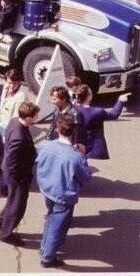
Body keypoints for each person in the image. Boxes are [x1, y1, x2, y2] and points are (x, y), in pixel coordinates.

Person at [36, 115, 91, 268]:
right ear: (73, 132)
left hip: (47, 189)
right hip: (64, 196)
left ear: (58, 130)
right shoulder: (76, 156)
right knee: (57, 226)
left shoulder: (45, 145)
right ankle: (47, 258)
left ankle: (44, 247)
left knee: (51, 218)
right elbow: (85, 177)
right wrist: (83, 155)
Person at [0, 101, 40, 246]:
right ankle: (6, 234)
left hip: (12, 172)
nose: (37, 118)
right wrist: (18, 178)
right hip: (18, 176)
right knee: (17, 206)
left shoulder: (14, 122)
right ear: (28, 117)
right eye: (35, 116)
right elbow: (13, 160)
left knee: (12, 201)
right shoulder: (20, 135)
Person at [74, 85, 129, 159]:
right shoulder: (97, 111)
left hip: (78, 147)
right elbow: (114, 114)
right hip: (95, 148)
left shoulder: (74, 109)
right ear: (89, 96)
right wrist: (120, 100)